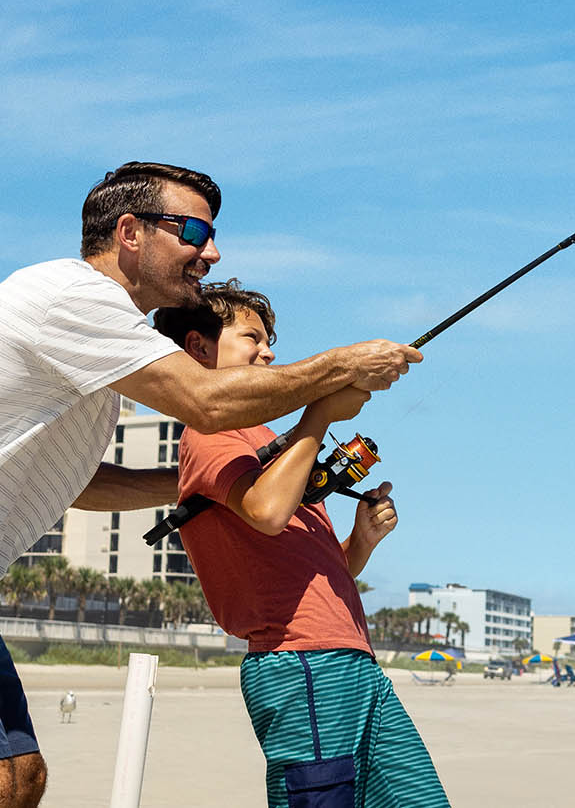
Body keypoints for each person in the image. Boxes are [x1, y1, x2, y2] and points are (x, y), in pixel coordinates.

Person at [0, 163, 421, 806]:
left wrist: (190, 486)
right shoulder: (73, 298)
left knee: (20, 782)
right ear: (129, 232)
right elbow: (205, 402)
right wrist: (338, 369)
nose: (210, 252)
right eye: (192, 231)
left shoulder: (104, 344)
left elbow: (80, 482)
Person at [154, 281, 448, 807]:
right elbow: (266, 512)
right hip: (302, 664)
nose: (268, 351)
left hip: (354, 661)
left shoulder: (272, 443)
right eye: (252, 337)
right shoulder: (210, 432)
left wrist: (362, 540)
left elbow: (320, 572)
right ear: (199, 348)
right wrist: (320, 414)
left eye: (270, 340)